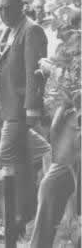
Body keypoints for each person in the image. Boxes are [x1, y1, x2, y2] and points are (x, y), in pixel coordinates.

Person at [0, 0, 48, 235]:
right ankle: (19, 222)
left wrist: (32, 110)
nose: (3, 13)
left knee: (4, 162)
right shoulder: (7, 30)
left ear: (20, 7)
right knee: (21, 167)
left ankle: (10, 223)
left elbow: (32, 74)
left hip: (21, 111)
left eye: (7, 7)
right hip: (6, 108)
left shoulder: (31, 30)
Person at [30, 95, 81, 248]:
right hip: (57, 184)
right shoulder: (74, 122)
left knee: (43, 239)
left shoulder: (66, 119)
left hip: (55, 184)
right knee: (43, 240)